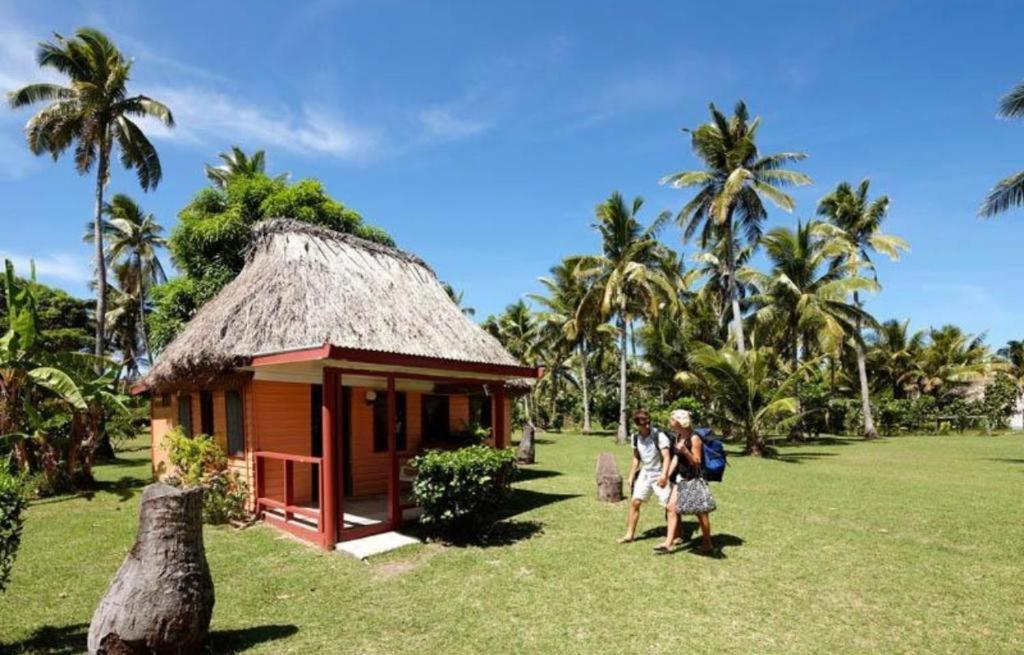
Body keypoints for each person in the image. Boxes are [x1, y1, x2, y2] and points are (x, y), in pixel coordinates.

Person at [654, 409, 716, 554]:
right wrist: (666, 476)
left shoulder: (694, 438)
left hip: (693, 479)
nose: (670, 422)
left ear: (679, 422)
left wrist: (685, 451)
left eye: (672, 419)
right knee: (670, 507)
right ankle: (668, 543)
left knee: (700, 512)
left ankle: (707, 543)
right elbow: (675, 458)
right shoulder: (678, 436)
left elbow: (697, 461)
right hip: (680, 478)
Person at [617, 409, 672, 544]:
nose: (647, 425)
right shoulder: (635, 437)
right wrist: (631, 475)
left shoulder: (659, 436)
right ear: (637, 424)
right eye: (643, 423)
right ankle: (630, 535)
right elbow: (636, 457)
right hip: (645, 473)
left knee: (670, 506)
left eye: (648, 422)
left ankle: (675, 535)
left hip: (659, 472)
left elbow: (666, 457)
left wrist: (664, 475)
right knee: (635, 502)